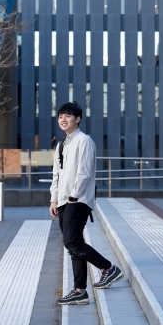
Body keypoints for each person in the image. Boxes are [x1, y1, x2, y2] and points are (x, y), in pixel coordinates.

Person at [49, 101, 123, 305]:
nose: (63, 119)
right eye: (60, 116)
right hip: (64, 200)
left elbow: (84, 171)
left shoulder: (85, 141)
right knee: (74, 245)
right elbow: (57, 173)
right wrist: (54, 198)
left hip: (78, 200)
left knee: (71, 242)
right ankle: (80, 290)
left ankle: (108, 268)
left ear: (78, 119)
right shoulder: (61, 143)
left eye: (68, 116)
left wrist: (74, 196)